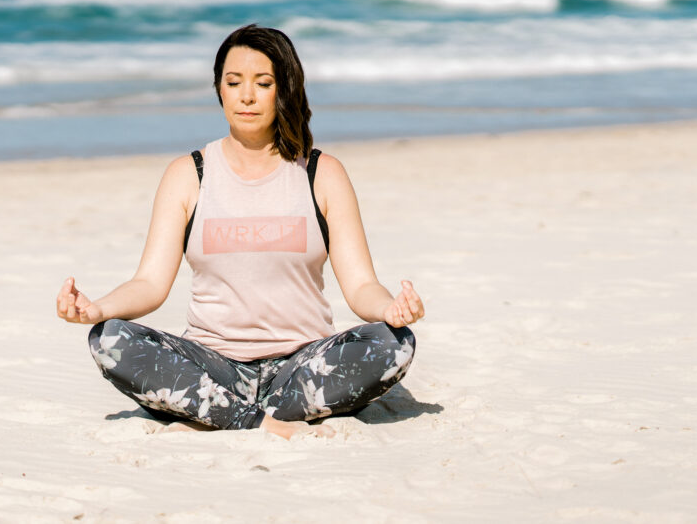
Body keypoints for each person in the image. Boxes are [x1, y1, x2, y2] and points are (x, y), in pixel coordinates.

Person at [56, 24, 424, 439]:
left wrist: (390, 309)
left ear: (283, 88)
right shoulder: (188, 174)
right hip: (213, 363)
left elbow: (361, 285)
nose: (246, 96)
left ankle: (227, 413)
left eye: (262, 83)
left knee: (395, 343)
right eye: (234, 82)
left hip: (301, 365)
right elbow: (149, 283)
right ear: (219, 89)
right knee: (110, 340)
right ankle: (255, 419)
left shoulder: (321, 173)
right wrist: (98, 310)